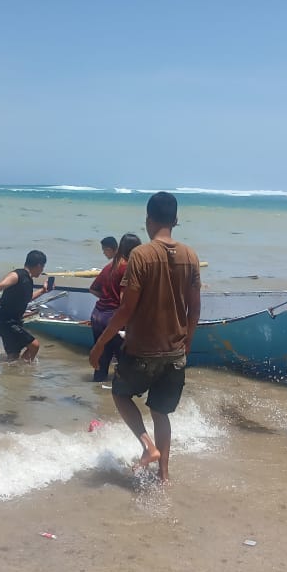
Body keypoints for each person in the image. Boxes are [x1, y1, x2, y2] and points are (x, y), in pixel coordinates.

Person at [89, 192, 201, 482]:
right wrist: (187, 342)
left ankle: (148, 447)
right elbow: (195, 308)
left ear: (148, 219)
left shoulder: (141, 255)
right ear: (175, 220)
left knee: (120, 394)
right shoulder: (191, 256)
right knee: (160, 412)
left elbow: (126, 309)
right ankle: (163, 476)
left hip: (142, 350)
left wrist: (101, 344)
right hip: (175, 350)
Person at [89, 233, 142, 382]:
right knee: (125, 362)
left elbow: (93, 289)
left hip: (97, 315)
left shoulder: (110, 266)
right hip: (113, 318)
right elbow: (123, 299)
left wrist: (107, 298)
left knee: (101, 361)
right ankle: (123, 397)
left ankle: (98, 394)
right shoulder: (127, 268)